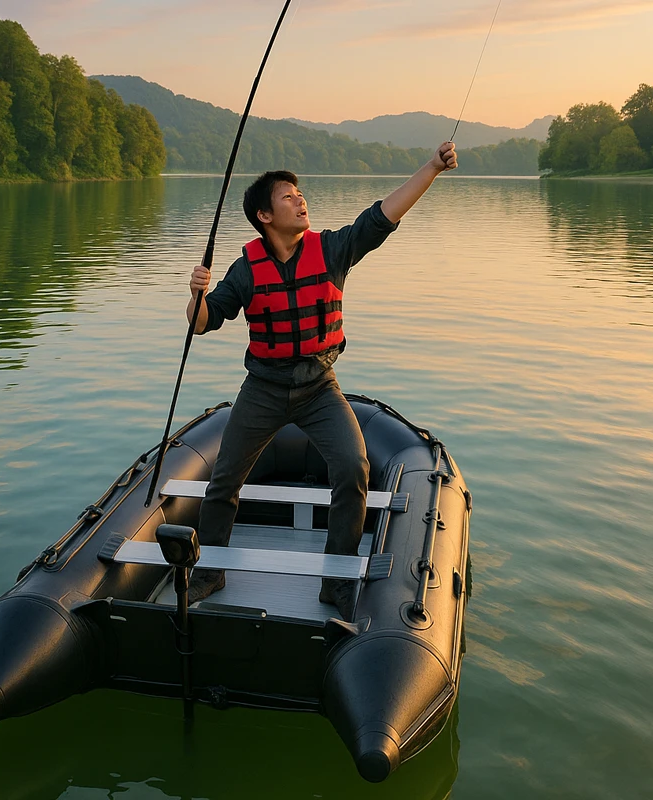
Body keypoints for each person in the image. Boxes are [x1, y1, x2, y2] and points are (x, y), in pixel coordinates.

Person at [186, 141, 458, 618]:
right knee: (224, 478)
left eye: (300, 194)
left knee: (353, 467)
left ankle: (336, 580)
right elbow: (203, 322)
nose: (300, 200)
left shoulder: (331, 249)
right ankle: (210, 571)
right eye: (288, 196)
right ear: (264, 216)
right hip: (263, 389)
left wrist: (432, 167)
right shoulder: (246, 269)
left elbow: (383, 215)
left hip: (319, 387)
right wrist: (196, 295)